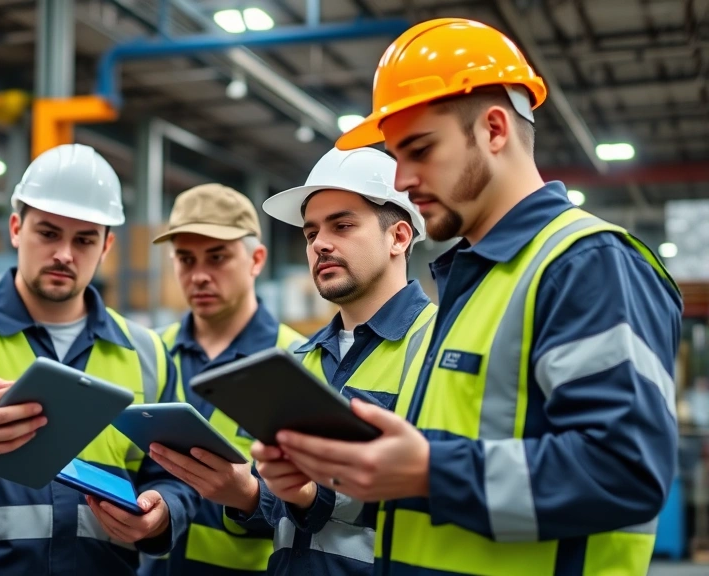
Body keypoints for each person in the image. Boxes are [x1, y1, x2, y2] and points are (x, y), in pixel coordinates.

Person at [275, 18, 683, 576]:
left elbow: (626, 471)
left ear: (494, 129)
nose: (402, 181)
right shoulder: (473, 283)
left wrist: (428, 469)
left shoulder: (585, 264)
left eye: (419, 150)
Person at [0, 143, 199, 576]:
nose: (65, 253)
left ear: (106, 247)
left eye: (84, 239)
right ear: (15, 228)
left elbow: (175, 476)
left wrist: (163, 512)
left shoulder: (149, 354)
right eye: (48, 233)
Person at [225, 146, 437, 575]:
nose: (320, 243)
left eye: (342, 225)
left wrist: (314, 494)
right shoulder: (296, 361)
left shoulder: (439, 346)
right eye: (310, 233)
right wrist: (246, 492)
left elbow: (443, 490)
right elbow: (282, 516)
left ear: (398, 237)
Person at [136, 183, 306, 576]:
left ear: (256, 259)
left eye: (217, 258)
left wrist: (250, 497)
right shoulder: (148, 353)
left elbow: (315, 505)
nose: (199, 276)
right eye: (185, 259)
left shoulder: (296, 362)